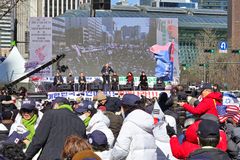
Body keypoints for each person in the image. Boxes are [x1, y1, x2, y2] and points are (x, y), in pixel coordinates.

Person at [111, 94, 157, 160]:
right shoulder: (150, 120)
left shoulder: (129, 123)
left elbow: (121, 150)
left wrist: (111, 157)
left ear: (125, 107)